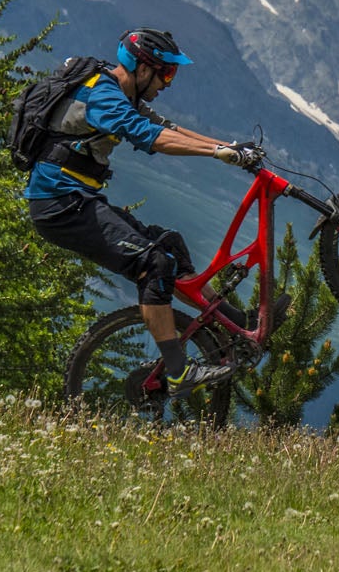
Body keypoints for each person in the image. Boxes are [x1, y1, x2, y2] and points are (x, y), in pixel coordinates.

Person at [24, 27, 274, 397]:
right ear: (142, 68)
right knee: (153, 262)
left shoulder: (120, 92)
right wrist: (216, 153)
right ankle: (176, 373)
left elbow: (166, 127)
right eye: (166, 73)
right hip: (60, 207)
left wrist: (230, 148)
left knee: (169, 248)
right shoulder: (104, 96)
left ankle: (238, 326)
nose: (168, 83)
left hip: (78, 200)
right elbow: (152, 137)